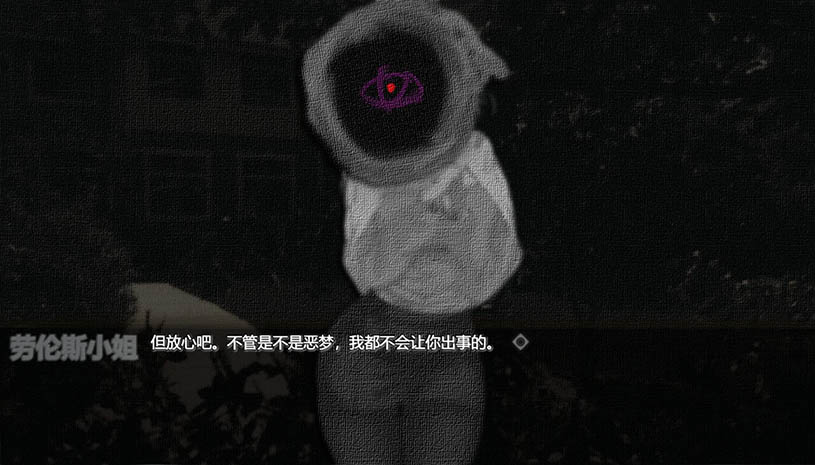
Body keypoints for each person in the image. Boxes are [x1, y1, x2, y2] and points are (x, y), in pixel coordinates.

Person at [302, 1, 523, 463]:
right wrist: (434, 217)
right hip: (379, 356)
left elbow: (495, 265)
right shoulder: (368, 173)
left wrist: (425, 221)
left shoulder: (469, 158)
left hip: (435, 361)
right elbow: (370, 269)